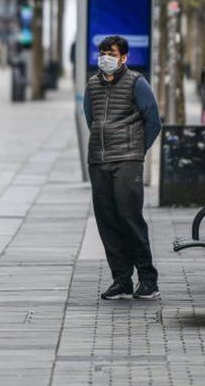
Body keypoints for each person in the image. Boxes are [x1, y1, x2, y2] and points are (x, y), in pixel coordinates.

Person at [83, 35, 162, 300]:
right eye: (103, 53)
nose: (106, 58)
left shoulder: (137, 83)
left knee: (129, 218)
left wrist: (137, 151)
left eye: (112, 54)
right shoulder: (92, 85)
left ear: (124, 58)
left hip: (128, 160)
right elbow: (90, 118)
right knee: (107, 221)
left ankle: (148, 279)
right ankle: (121, 280)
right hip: (99, 161)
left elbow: (153, 121)